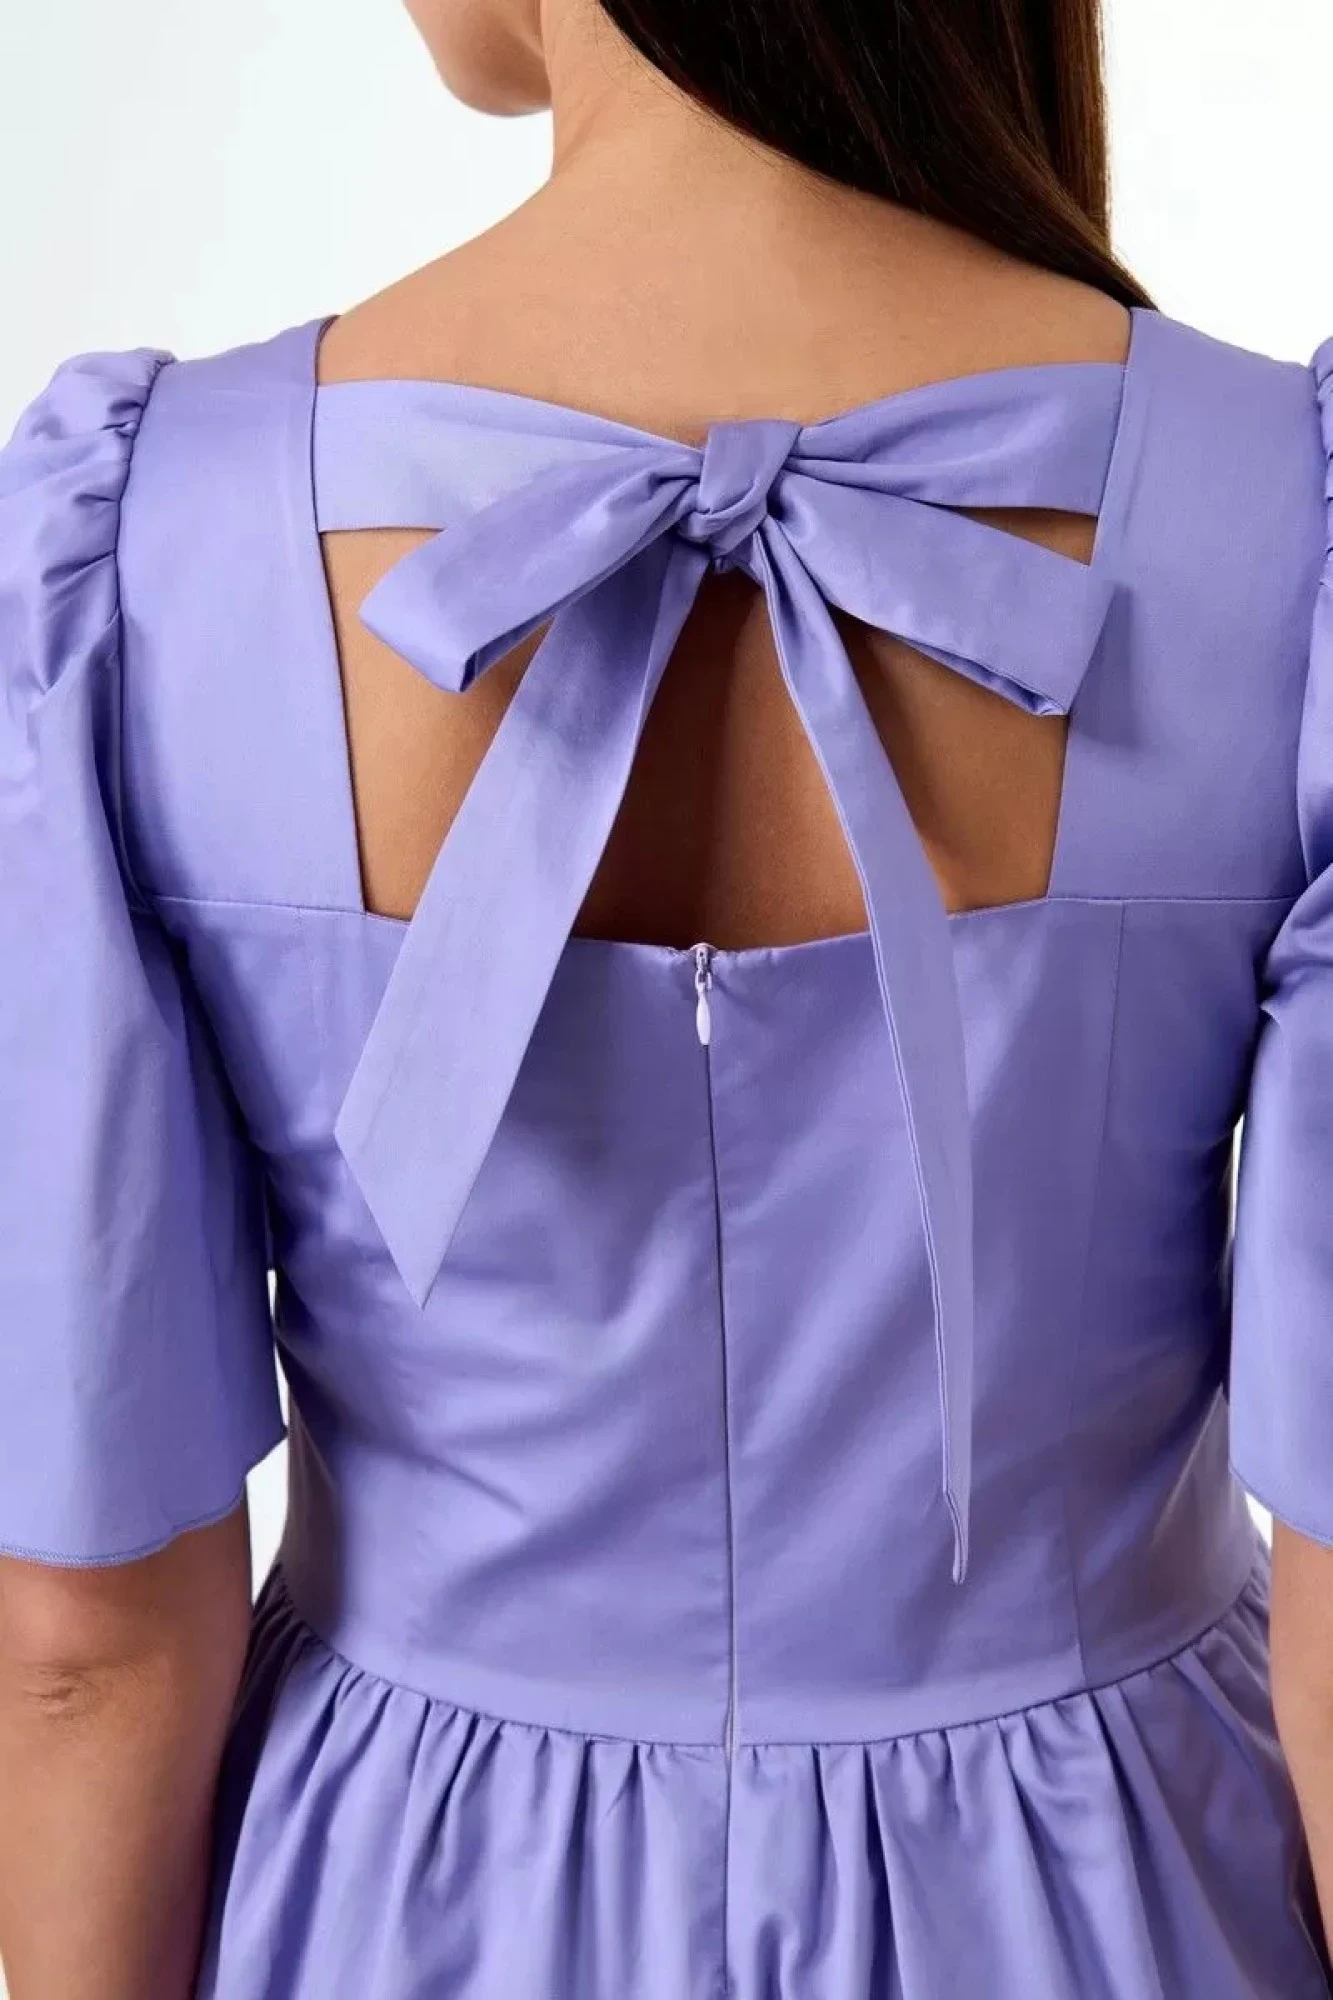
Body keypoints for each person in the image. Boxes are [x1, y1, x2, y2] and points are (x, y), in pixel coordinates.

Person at [2, 0, 1332, 1993]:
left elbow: (83, 1643)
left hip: (401, 1904)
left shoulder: (151, 545)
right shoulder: (1286, 523)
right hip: (1105, 1890)